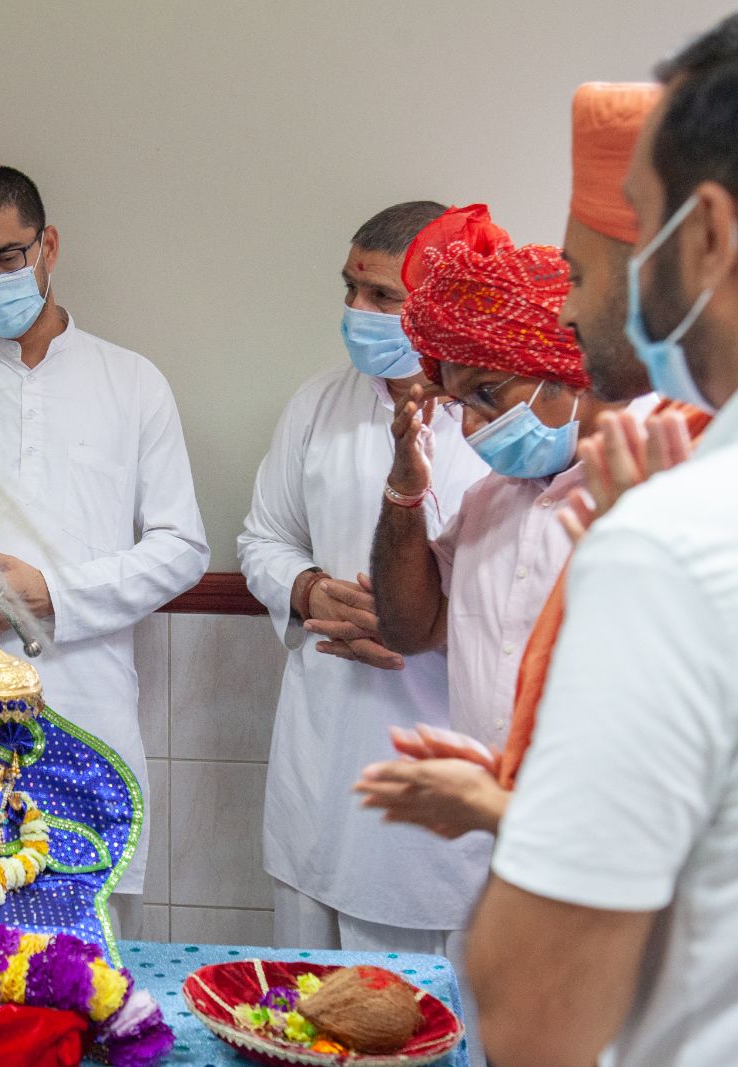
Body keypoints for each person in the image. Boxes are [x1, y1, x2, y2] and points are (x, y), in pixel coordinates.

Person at [470, 12, 738, 1064]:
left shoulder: (671, 547)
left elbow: (532, 1014)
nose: (587, 302)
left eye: (626, 234)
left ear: (711, 235)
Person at [355, 85, 713, 838]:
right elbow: (410, 625)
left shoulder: (673, 474)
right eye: (462, 404)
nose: (477, 425)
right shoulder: (495, 498)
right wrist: (405, 492)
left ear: (566, 361)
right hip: (494, 855)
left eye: (488, 393)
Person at [0, 166, 209, 935]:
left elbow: (183, 546)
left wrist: (50, 591)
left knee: (77, 976)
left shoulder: (133, 383)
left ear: (48, 246)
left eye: (7, 258)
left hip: (84, 710)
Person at [238, 200, 492, 958]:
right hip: (318, 768)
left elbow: (533, 594)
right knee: (301, 1011)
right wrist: (308, 589)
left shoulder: (494, 426)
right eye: (350, 288)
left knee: (419, 1021)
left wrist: (424, 621)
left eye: (383, 296)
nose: (357, 311)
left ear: (441, 304)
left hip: (436, 772)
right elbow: (262, 539)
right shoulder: (318, 403)